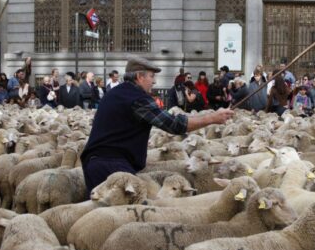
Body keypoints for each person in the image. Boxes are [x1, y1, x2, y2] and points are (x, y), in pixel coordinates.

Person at [80, 57, 234, 193]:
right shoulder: (137, 99)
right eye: (152, 76)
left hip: (98, 163)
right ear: (140, 77)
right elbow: (173, 125)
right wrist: (212, 118)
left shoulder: (117, 93)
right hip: (111, 166)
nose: (154, 81)